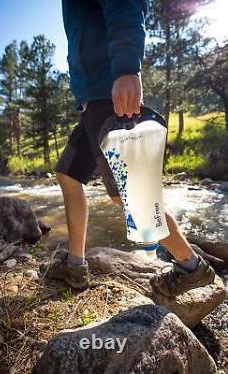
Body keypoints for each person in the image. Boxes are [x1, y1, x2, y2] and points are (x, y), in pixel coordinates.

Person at [40, 0, 215, 296]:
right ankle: (75, 265)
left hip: (110, 93)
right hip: (92, 102)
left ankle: (191, 268)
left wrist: (126, 69)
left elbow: (125, 5)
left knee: (132, 196)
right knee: (68, 176)